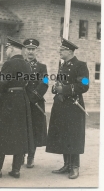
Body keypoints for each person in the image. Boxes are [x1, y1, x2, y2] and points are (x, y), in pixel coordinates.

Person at [0, 37, 34, 179]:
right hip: (22, 101)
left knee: (2, 133)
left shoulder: (9, 64)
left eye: (7, 49)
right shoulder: (27, 64)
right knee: (20, 134)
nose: (6, 52)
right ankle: (16, 170)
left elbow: (0, 84)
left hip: (9, 102)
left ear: (11, 48)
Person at [46, 38, 89, 179]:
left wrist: (63, 89)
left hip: (73, 106)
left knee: (73, 135)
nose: (60, 51)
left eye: (62, 49)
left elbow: (84, 85)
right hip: (61, 105)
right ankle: (67, 165)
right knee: (64, 133)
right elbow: (58, 82)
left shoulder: (81, 65)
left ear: (70, 51)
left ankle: (75, 167)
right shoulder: (62, 66)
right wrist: (55, 88)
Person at [23, 38, 48, 168]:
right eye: (28, 49)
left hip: (35, 103)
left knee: (33, 130)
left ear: (36, 51)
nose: (30, 52)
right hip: (21, 103)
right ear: (24, 50)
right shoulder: (19, 65)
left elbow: (44, 83)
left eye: (33, 49)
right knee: (21, 129)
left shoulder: (42, 67)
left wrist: (33, 98)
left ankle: (31, 156)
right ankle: (20, 154)